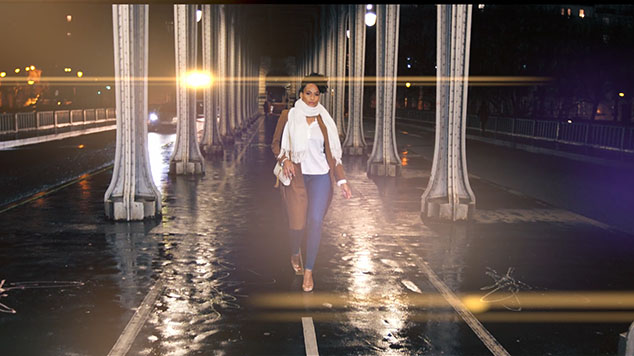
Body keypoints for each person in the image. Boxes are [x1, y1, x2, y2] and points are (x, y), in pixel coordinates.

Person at [271, 73, 352, 292]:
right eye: (308, 93)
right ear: (300, 94)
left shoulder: (324, 120)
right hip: (296, 177)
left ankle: (308, 271)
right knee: (297, 225)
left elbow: (333, 154)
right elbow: (276, 145)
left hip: (320, 176)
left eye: (316, 94)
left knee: (315, 221)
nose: (313, 98)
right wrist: (285, 159)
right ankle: (295, 249)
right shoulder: (289, 115)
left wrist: (342, 179)